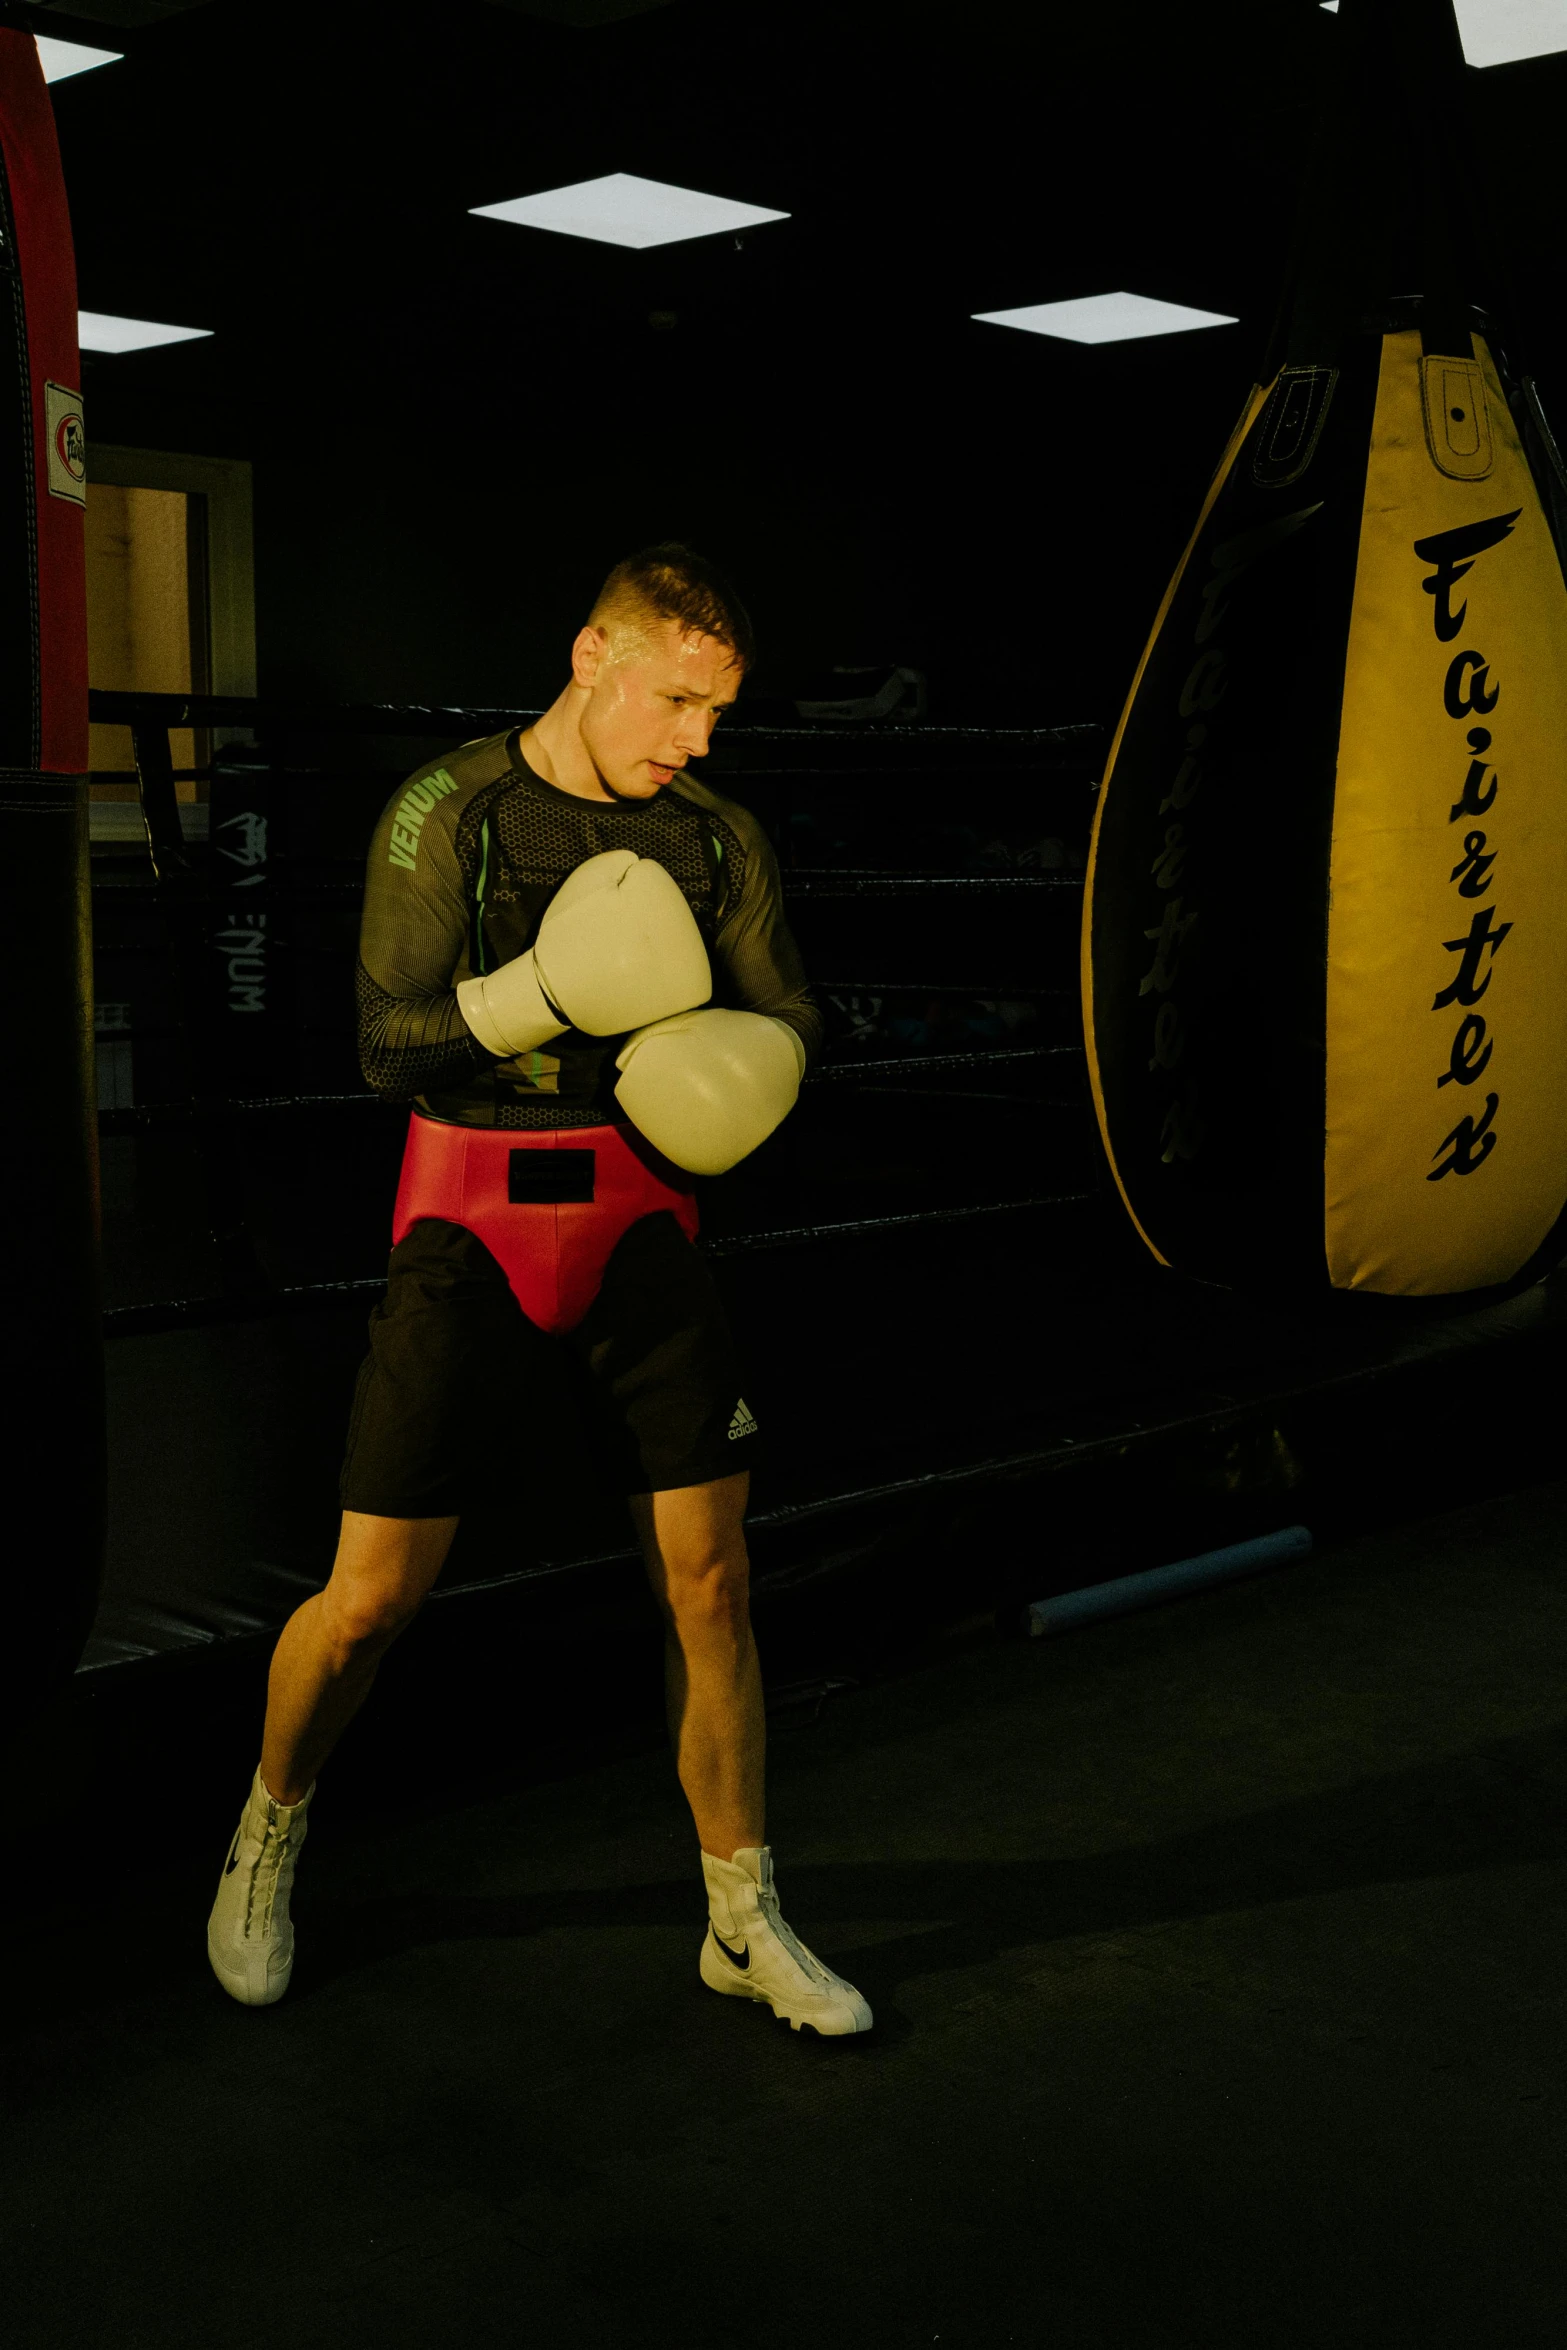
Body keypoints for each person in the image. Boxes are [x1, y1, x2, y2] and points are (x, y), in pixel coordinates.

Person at [206, 544, 872, 2037]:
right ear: (593, 656)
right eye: (679, 699)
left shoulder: (716, 835)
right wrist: (548, 995)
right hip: (468, 1219)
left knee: (712, 1581)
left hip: (643, 1216)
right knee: (370, 1598)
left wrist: (727, 1065)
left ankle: (739, 1913)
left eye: (718, 711)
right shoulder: (452, 811)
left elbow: (790, 1013)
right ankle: (269, 1824)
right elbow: (382, 1044)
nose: (697, 738)